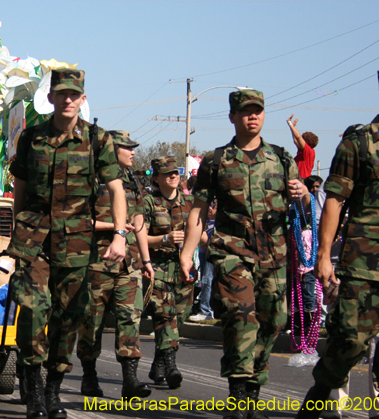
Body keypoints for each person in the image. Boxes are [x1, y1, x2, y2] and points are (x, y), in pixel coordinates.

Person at [7, 69, 133, 419]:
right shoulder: (30, 138)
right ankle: (33, 392)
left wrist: (120, 236)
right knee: (32, 312)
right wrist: (18, 229)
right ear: (50, 98)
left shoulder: (97, 140)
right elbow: (19, 187)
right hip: (33, 242)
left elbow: (116, 189)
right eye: (61, 93)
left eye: (73, 94)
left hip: (77, 243)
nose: (67, 99)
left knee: (68, 320)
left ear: (82, 98)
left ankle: (53, 391)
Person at [179, 89, 309, 419]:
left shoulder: (281, 159)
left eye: (258, 111)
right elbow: (199, 209)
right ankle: (237, 395)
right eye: (245, 111)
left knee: (272, 320)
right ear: (232, 117)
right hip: (232, 252)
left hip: (274, 255)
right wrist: (187, 253)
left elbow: (302, 206)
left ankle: (253, 392)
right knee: (240, 316)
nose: (252, 116)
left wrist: (303, 193)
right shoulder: (217, 160)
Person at [296, 67, 379, 419]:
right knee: (351, 339)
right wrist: (324, 255)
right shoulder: (358, 143)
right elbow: (335, 201)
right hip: (364, 262)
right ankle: (323, 388)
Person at [76, 130, 154, 401]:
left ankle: (130, 381)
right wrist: (116, 227)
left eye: (134, 148)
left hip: (129, 265)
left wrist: (146, 260)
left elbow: (139, 221)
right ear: (110, 150)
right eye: (126, 148)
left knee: (130, 320)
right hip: (97, 262)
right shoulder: (91, 177)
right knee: (91, 324)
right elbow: (78, 220)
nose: (133, 152)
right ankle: (89, 377)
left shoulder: (132, 180)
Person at [142, 156, 202, 390]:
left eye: (176, 172)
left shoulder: (190, 202)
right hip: (158, 269)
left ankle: (158, 363)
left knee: (179, 316)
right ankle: (170, 366)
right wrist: (163, 239)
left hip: (184, 270)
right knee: (165, 317)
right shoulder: (148, 202)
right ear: (156, 178)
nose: (174, 176)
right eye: (167, 174)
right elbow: (139, 237)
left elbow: (201, 232)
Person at [287, 114, 319, 179]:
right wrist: (293, 126)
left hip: (303, 181)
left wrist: (290, 124)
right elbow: (295, 139)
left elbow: (298, 137)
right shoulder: (302, 152)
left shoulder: (308, 151)